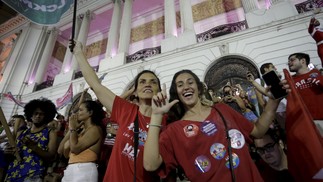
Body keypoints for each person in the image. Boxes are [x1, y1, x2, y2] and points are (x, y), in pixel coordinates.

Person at [143, 69, 286, 182]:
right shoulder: (174, 130)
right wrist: (156, 116)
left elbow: (258, 131)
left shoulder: (222, 110)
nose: (186, 87)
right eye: (180, 85)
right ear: (177, 93)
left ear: (199, 88)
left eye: (190, 82)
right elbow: (150, 165)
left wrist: (273, 103)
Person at [70, 40, 165, 181]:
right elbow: (96, 85)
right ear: (136, 92)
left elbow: (153, 165)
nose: (148, 84)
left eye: (153, 82)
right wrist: (78, 53)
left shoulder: (164, 121)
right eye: (142, 82)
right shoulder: (126, 110)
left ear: (159, 90)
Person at [5, 98, 58, 182]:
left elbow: (51, 156)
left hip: (33, 174)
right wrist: (8, 152)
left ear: (46, 116)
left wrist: (34, 147)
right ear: (30, 115)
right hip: (13, 173)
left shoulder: (50, 132)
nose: (38, 116)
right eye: (35, 113)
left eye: (42, 114)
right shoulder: (22, 132)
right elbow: (14, 151)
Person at [59, 100, 105, 182]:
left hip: (84, 170)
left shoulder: (95, 129)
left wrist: (73, 129)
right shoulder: (80, 131)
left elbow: (75, 149)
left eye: (80, 110)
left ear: (90, 112)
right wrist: (72, 129)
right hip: (71, 169)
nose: (77, 113)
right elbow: (61, 151)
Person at [287, 53, 323, 121]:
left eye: (292, 60)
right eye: (288, 61)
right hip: (306, 121)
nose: (289, 63)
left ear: (303, 61)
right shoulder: (289, 80)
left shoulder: (317, 73)